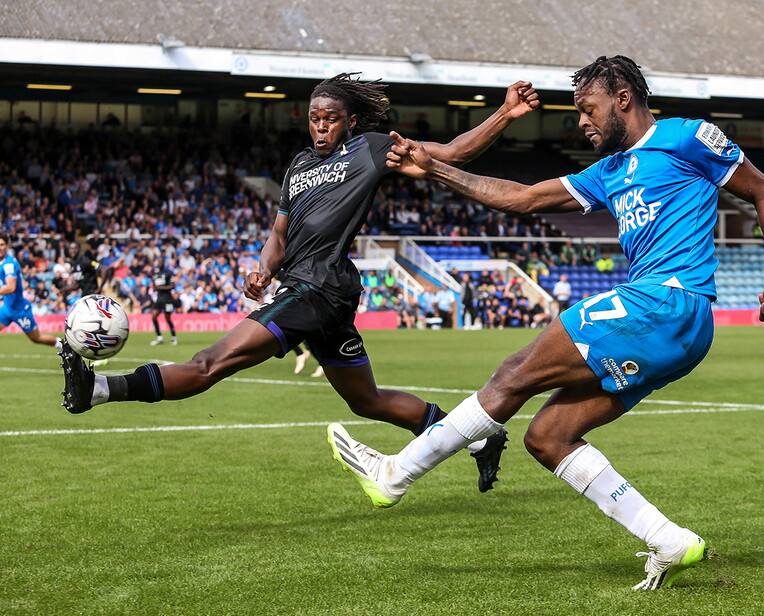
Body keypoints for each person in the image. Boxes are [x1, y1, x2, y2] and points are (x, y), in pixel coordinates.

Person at [327, 55, 764, 590]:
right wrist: (437, 169)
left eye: (587, 109)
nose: (581, 122)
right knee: (549, 436)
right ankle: (666, 538)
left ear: (623, 98)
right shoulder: (609, 171)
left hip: (665, 301)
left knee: (514, 373)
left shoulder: (689, 138)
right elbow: (523, 199)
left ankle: (396, 474)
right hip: (676, 328)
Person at [59, 73, 541, 493]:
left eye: (330, 117)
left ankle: (99, 388)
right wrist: (264, 267)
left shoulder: (370, 149)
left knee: (210, 362)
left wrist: (505, 113)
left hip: (318, 289)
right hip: (307, 289)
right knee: (366, 400)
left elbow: (452, 153)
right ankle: (478, 435)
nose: (321, 126)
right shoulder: (298, 167)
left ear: (350, 121)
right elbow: (278, 234)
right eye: (314, 118)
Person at [0, 233, 59, 347]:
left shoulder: (9, 264)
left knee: (37, 338)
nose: (0, 248)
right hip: (7, 308)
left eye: (2, 245)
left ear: (7, 246)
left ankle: (65, 345)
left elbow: (11, 288)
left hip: (20, 309)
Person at [148, 258, 179, 346]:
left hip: (168, 299)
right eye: (158, 262)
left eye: (161, 262)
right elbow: (155, 286)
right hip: (159, 299)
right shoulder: (156, 274)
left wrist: (161, 288)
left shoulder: (168, 273)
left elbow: (172, 285)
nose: (159, 263)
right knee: (154, 317)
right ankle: (159, 337)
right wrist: (154, 287)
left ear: (163, 263)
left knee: (168, 318)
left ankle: (174, 337)